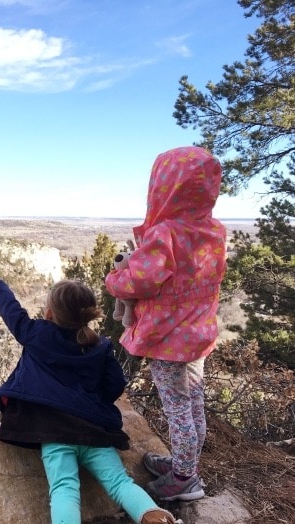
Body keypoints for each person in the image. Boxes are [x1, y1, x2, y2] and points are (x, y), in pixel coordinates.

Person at [0, 278, 177, 524]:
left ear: (49, 313)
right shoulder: (100, 346)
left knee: (64, 489)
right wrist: (93, 403)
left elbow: (12, 312)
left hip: (53, 431)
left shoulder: (37, 334)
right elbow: (115, 384)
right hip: (94, 431)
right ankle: (157, 519)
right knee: (120, 483)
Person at [105, 146, 227, 502]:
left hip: (168, 340)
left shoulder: (166, 234)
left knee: (177, 409)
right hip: (198, 334)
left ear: (164, 186)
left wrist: (114, 278)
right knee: (193, 403)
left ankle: (185, 479)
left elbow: (136, 282)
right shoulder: (214, 231)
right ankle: (183, 465)